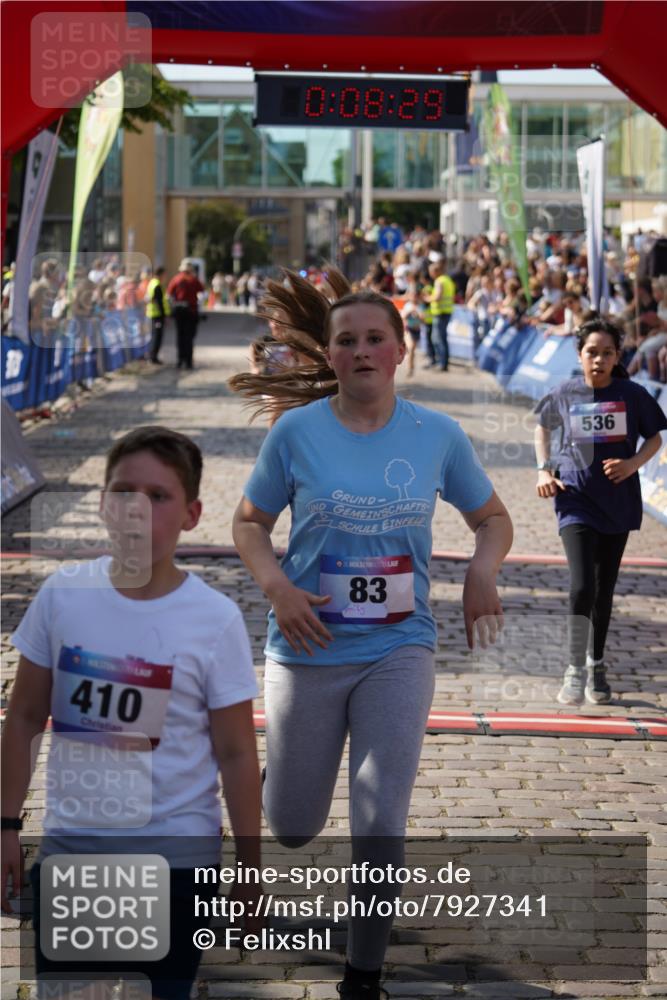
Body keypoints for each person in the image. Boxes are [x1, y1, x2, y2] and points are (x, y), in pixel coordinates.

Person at [230, 271, 512, 1000]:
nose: (360, 351)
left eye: (374, 339)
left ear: (398, 351)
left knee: (379, 811)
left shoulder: (436, 435)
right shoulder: (295, 433)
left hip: (400, 645)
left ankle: (363, 974)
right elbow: (248, 524)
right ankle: (278, 783)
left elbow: (493, 517)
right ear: (328, 355)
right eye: (346, 340)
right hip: (307, 648)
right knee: (292, 825)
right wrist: (277, 586)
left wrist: (481, 569)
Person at [1, 426, 261, 999]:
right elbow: (22, 719)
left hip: (177, 867)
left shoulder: (213, 619)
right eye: (122, 492)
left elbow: (238, 752)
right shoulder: (62, 596)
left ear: (191, 515)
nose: (136, 511)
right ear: (101, 504)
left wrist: (249, 865)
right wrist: (6, 825)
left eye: (158, 496)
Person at [534, 315, 666, 706]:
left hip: (617, 500)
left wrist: (631, 465)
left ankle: (597, 664)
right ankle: (574, 667)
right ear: (579, 354)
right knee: (581, 586)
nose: (599, 359)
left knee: (603, 589)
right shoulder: (565, 392)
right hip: (575, 498)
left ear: (616, 356)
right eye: (592, 352)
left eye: (607, 353)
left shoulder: (632, 393)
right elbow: (541, 425)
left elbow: (655, 437)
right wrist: (543, 468)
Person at [167, 260, 204, 370]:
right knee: (189, 337)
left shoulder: (176, 279)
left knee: (180, 336)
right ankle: (188, 361)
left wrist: (171, 308)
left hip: (179, 311)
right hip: (191, 311)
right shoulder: (194, 280)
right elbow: (202, 294)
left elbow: (169, 295)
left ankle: (180, 360)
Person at [427, 259, 456, 371]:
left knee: (438, 339)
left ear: (436, 271)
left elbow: (437, 297)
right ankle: (443, 363)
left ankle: (442, 363)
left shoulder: (439, 281)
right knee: (441, 338)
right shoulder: (447, 280)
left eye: (431, 272)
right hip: (447, 311)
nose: (430, 274)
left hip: (440, 313)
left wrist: (428, 298)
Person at [146, 266, 170, 364]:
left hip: (153, 314)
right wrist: (164, 316)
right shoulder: (157, 285)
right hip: (157, 315)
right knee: (157, 337)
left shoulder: (152, 283)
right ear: (161, 274)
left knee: (154, 336)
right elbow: (159, 302)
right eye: (165, 274)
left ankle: (153, 356)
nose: (166, 276)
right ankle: (153, 357)